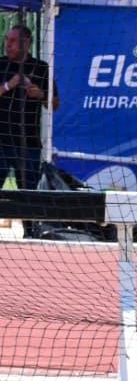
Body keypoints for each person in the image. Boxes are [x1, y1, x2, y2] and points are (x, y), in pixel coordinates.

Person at [0, 27, 58, 233]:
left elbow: (55, 103)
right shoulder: (1, 64)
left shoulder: (41, 68)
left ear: (27, 43)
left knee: (29, 192)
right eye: (7, 39)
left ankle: (31, 232)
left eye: (13, 41)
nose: (7, 44)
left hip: (29, 143)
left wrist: (41, 94)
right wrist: (9, 85)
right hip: (1, 141)